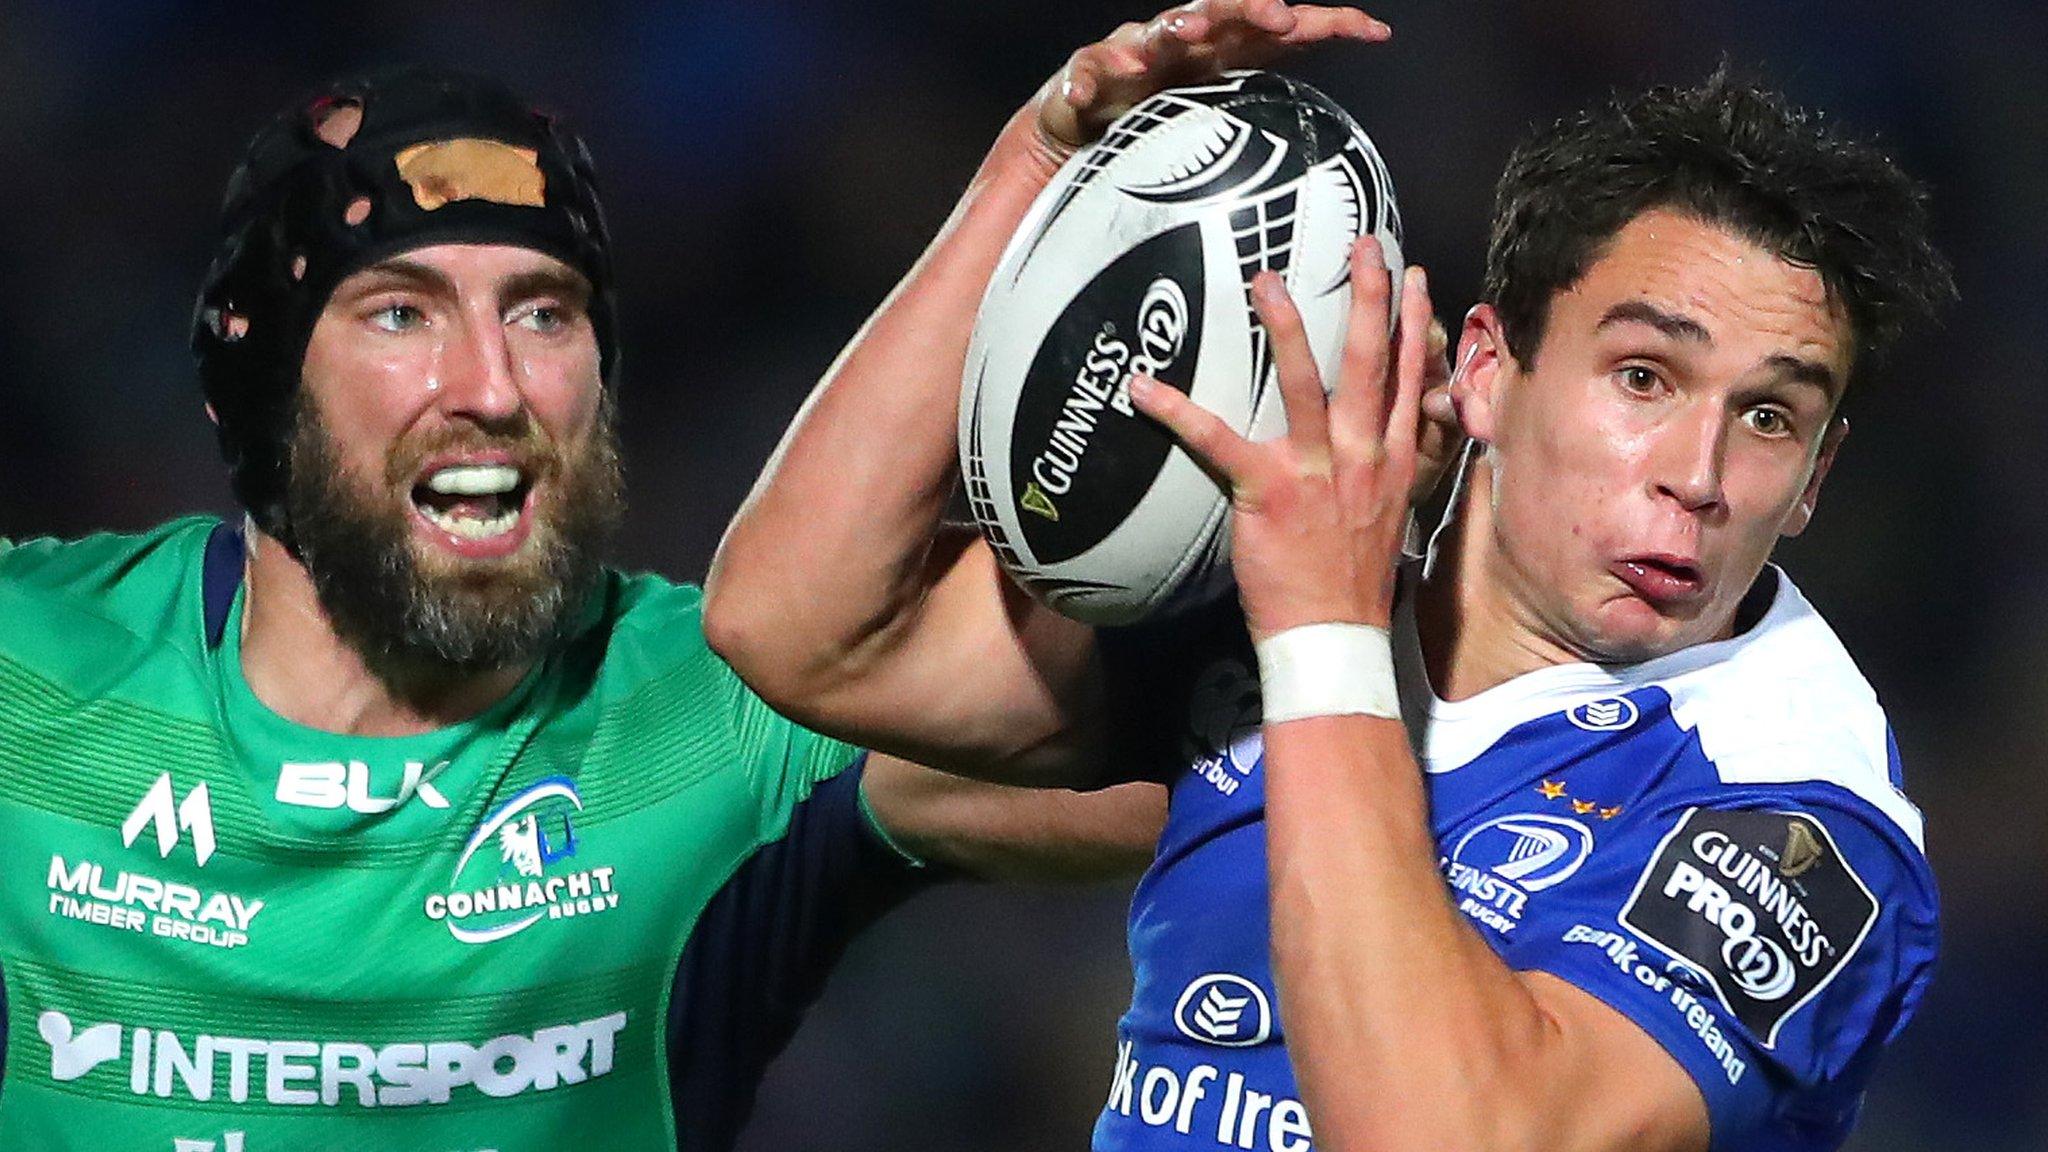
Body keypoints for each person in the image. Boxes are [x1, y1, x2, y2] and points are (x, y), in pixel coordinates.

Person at [705, 1, 1954, 1149]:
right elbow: (801, 630)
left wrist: (1318, 625)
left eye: (1770, 418)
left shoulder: (1796, 813)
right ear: (1483, 369)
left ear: (1813, 481)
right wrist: (1032, 170)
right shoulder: (1315, 570)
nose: (1699, 472)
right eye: (1642, 377)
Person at [0, 65, 1165, 1150]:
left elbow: (1246, 756)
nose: (494, 387)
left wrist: (1034, 178)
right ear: (252, 381)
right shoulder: (31, 679)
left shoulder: (729, 721)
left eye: (543, 312)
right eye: (402, 313)